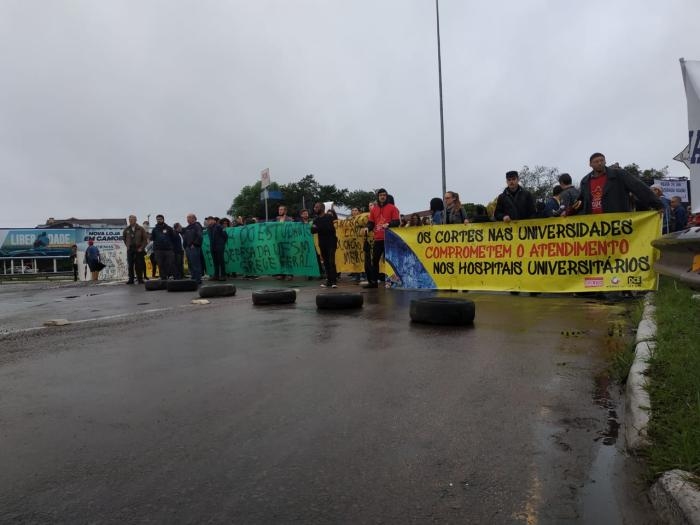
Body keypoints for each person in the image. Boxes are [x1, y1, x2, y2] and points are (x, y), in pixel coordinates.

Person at [577, 153, 662, 214]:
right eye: (596, 161)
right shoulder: (585, 181)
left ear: (605, 162)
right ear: (590, 164)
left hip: (617, 221)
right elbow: (581, 201)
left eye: (602, 160)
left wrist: (658, 204)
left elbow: (639, 188)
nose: (599, 163)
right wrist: (569, 213)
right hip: (594, 223)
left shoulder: (620, 175)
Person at [364, 188, 400, 288]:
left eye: (384, 195)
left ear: (386, 196)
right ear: (378, 197)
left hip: (390, 239)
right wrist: (367, 227)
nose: (382, 197)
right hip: (378, 239)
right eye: (380, 195)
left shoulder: (392, 208)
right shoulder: (374, 209)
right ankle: (374, 282)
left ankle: (394, 281)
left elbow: (397, 222)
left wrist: (389, 224)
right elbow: (371, 222)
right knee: (374, 260)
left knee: (391, 261)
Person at [312, 202, 338, 288]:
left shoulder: (329, 217)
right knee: (326, 262)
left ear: (322, 208)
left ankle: (334, 281)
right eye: (314, 207)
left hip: (331, 242)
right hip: (322, 243)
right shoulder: (315, 219)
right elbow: (313, 231)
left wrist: (318, 228)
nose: (314, 209)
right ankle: (329, 281)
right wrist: (313, 228)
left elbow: (330, 229)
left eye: (316, 207)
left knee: (331, 261)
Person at [122, 214, 148, 284]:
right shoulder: (126, 229)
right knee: (130, 265)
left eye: (132, 219)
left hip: (139, 249)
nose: (131, 221)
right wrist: (127, 246)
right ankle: (131, 279)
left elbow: (145, 240)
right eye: (129, 220)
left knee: (139, 265)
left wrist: (141, 248)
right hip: (130, 249)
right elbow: (124, 238)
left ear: (136, 220)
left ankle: (140, 279)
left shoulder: (141, 229)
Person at [151, 214, 177, 279]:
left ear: (163, 219)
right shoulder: (154, 229)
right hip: (158, 250)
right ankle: (163, 277)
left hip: (168, 249)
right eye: (157, 219)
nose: (159, 220)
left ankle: (170, 276)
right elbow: (153, 238)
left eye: (160, 219)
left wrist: (171, 246)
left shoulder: (169, 228)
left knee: (169, 263)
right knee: (160, 264)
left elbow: (173, 238)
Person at [183, 213, 204, 284]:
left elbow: (200, 236)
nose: (187, 219)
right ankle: (193, 277)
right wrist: (185, 246)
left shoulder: (197, 226)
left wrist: (194, 244)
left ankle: (198, 279)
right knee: (190, 264)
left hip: (194, 247)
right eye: (187, 218)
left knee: (196, 264)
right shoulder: (187, 227)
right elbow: (185, 237)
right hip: (188, 248)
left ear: (194, 218)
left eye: (189, 218)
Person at [206, 215, 228, 281]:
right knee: (215, 262)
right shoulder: (209, 228)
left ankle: (223, 275)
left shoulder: (219, 226)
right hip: (213, 247)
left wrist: (221, 243)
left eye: (209, 220)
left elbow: (225, 236)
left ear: (213, 220)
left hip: (219, 246)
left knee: (221, 261)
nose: (208, 221)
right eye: (207, 220)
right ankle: (216, 275)